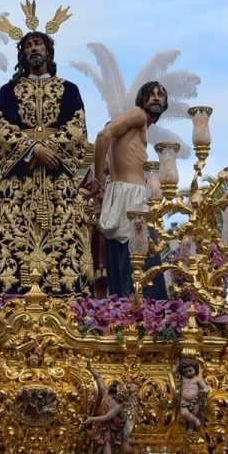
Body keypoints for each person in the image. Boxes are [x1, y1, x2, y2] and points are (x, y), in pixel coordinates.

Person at [0, 21, 91, 296]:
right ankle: (7, 296)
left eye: (37, 43)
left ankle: (66, 299)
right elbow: (1, 128)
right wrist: (32, 149)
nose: (33, 48)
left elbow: (77, 128)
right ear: (22, 54)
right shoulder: (8, 91)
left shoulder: (69, 89)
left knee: (65, 239)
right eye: (27, 45)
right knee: (9, 238)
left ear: (48, 51)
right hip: (19, 181)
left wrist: (48, 149)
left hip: (57, 182)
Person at [88, 81, 169, 299]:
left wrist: (101, 184)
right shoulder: (138, 115)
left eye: (160, 95)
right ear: (142, 100)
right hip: (133, 198)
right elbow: (103, 136)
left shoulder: (133, 131)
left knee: (123, 267)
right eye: (150, 94)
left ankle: (125, 318)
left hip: (118, 196)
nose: (156, 98)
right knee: (146, 264)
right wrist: (97, 181)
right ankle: (151, 319)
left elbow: (107, 164)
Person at [82, 362, 133, 454]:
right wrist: (90, 369)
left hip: (111, 429)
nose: (121, 399)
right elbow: (98, 378)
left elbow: (107, 417)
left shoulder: (119, 406)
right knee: (106, 448)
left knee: (118, 448)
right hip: (101, 427)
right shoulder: (105, 395)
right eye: (120, 396)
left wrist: (91, 419)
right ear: (115, 394)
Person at [175, 358, 208, 433]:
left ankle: (191, 427)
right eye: (185, 372)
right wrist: (177, 364)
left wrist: (203, 391)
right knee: (184, 413)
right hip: (184, 400)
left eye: (190, 370)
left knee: (194, 413)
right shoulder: (183, 378)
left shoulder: (197, 379)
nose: (188, 373)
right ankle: (195, 420)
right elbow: (174, 373)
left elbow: (206, 388)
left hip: (195, 400)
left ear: (195, 369)